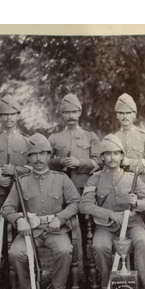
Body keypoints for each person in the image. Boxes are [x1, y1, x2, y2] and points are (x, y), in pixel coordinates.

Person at [79, 134, 145, 289]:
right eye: (108, 154)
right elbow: (84, 205)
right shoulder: (95, 179)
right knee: (99, 245)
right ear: (102, 157)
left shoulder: (132, 178)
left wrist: (137, 203)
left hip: (132, 224)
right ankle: (109, 286)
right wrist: (109, 214)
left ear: (121, 156)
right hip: (106, 226)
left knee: (142, 240)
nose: (112, 158)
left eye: (116, 153)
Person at [1, 135, 80, 289]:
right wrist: (18, 220)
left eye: (42, 154)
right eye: (34, 155)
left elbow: (76, 202)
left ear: (49, 156)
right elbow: (6, 208)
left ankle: (56, 288)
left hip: (56, 231)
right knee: (15, 253)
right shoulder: (21, 181)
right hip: (30, 232)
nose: (38, 158)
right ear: (28, 158)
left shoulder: (61, 179)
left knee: (65, 250)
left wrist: (60, 217)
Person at [47, 93, 101, 277]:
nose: (70, 116)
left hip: (86, 189)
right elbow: (45, 162)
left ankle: (92, 271)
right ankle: (70, 275)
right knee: (66, 231)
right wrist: (60, 161)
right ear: (62, 114)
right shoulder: (54, 138)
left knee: (89, 232)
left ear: (80, 112)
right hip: (62, 192)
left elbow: (100, 160)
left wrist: (80, 163)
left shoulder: (89, 135)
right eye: (66, 112)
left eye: (74, 112)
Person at [0, 95, 30, 258]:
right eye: (5, 115)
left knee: (22, 231)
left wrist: (16, 170)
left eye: (12, 114)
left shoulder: (26, 141)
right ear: (0, 117)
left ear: (18, 115)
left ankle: (24, 274)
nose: (9, 118)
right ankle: (0, 278)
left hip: (21, 194)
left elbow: (36, 168)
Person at [113, 93, 145, 189]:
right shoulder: (113, 139)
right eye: (121, 113)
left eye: (128, 113)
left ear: (134, 114)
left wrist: (129, 163)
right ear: (117, 115)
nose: (125, 116)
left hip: (143, 186)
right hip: (121, 186)